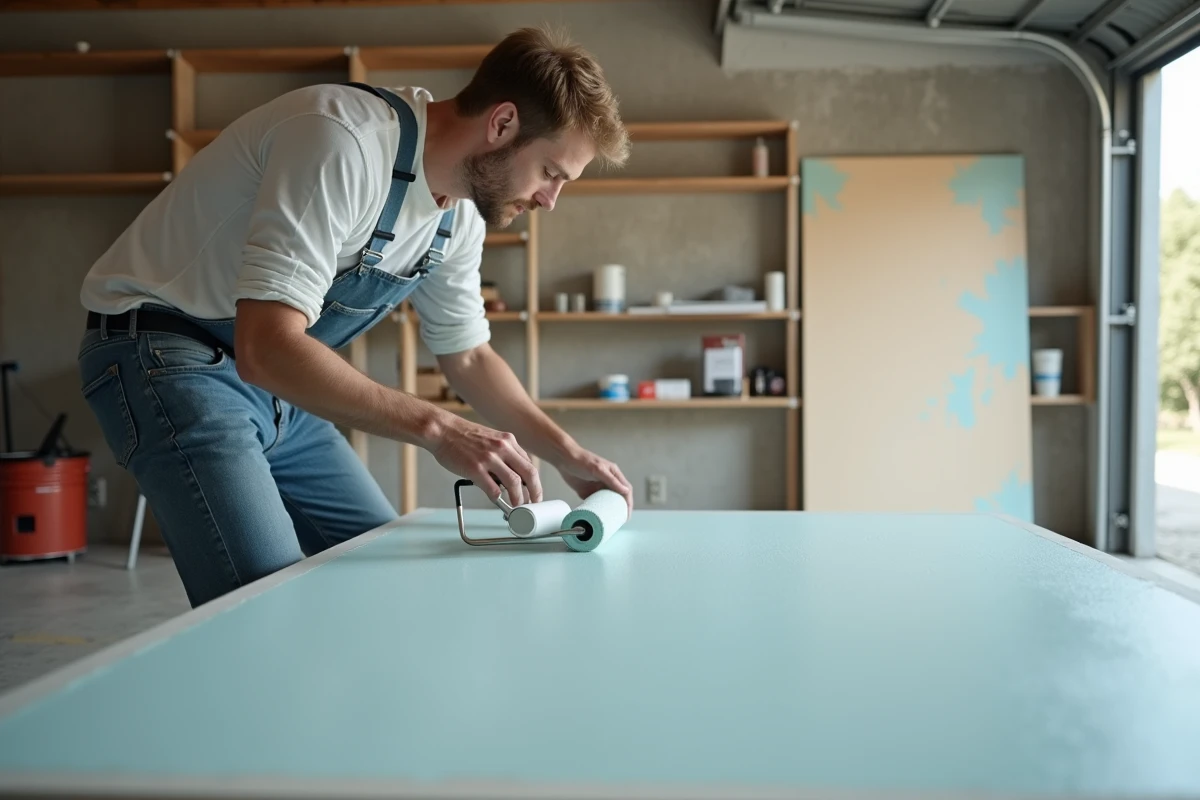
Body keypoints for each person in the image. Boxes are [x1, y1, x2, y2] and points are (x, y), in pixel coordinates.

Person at [75, 26, 634, 608]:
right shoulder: (342, 141)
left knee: (380, 574)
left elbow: (467, 354)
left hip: (270, 382)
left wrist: (568, 454)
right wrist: (441, 429)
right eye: (551, 173)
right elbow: (268, 345)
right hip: (165, 353)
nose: (550, 200)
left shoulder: (459, 218)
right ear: (502, 123)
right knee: (266, 606)